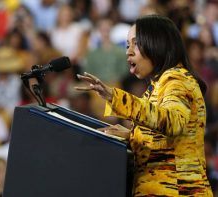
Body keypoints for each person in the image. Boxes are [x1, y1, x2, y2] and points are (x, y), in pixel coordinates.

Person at [76, 15, 213, 196]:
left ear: (158, 44)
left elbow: (173, 122)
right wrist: (130, 136)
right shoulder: (157, 85)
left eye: (136, 44)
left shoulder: (177, 79)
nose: (128, 52)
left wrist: (115, 96)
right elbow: (164, 141)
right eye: (127, 45)